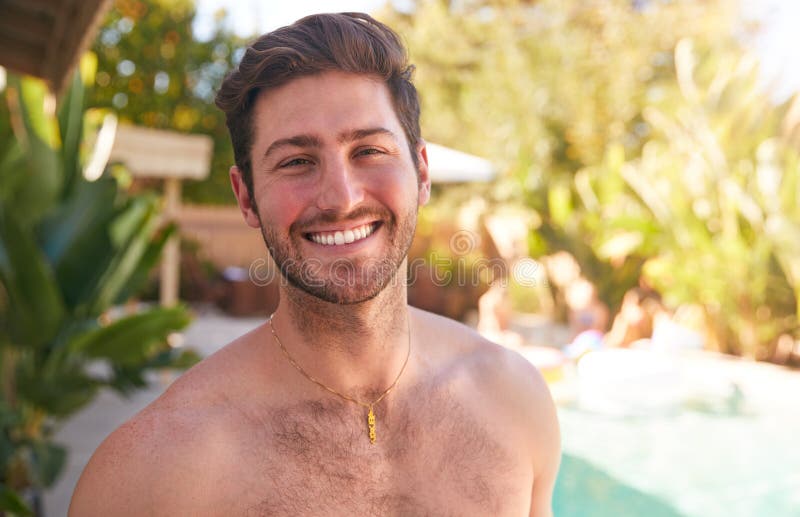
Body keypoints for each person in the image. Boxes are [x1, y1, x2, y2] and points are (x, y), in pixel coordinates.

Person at [69, 13, 560, 516]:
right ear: (246, 198)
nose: (341, 198)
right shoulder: (151, 473)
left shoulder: (514, 401)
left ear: (422, 172)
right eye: (297, 161)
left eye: (369, 150)